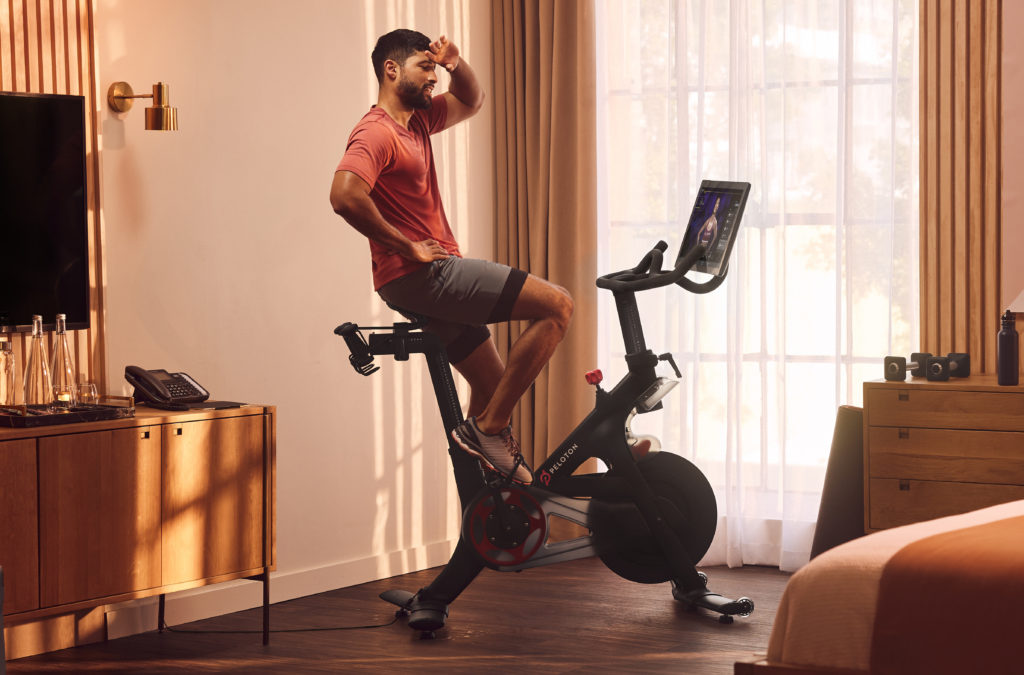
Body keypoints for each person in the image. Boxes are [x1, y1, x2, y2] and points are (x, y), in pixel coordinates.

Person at [330, 29, 573, 485]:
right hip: (424, 274)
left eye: (435, 70)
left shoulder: (416, 121)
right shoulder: (377, 132)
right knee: (558, 305)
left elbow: (473, 99)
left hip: (411, 281)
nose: (435, 79)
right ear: (391, 69)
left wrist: (454, 63)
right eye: (426, 68)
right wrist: (407, 245)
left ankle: (487, 507)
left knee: (491, 383)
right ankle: (489, 431)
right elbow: (344, 195)